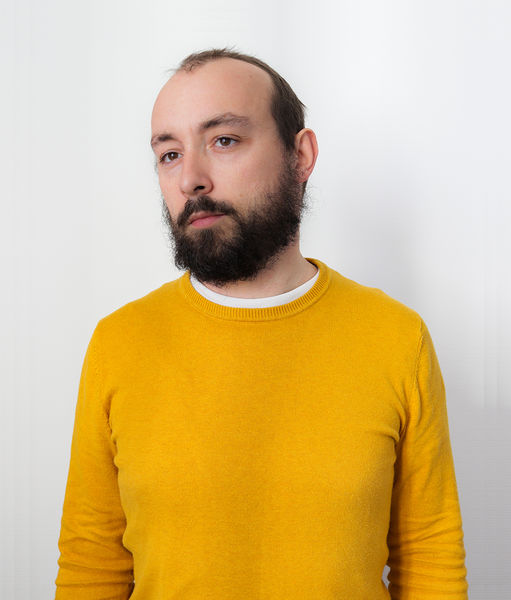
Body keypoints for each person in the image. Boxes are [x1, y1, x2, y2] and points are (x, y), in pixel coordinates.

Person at [55, 48, 468, 599]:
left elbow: (429, 559)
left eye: (224, 140)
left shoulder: (396, 338)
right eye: (170, 154)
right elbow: (91, 566)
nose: (191, 179)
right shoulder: (120, 342)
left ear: (301, 155)